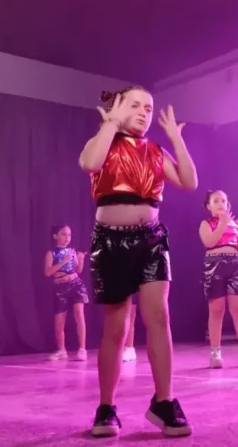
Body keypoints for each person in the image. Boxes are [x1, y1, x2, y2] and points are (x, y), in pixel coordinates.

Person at [78, 85, 198, 438]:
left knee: (159, 317)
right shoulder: (103, 143)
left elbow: (189, 182)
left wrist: (176, 138)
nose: (144, 112)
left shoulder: (155, 151)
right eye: (135, 105)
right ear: (117, 107)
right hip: (110, 242)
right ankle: (106, 407)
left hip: (151, 240)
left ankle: (165, 401)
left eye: (148, 107)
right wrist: (110, 124)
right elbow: (89, 163)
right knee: (116, 326)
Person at [200, 190, 238, 368]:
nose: (220, 203)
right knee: (216, 309)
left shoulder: (235, 224)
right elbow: (209, 242)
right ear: (209, 206)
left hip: (235, 265)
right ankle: (215, 351)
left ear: (228, 205)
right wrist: (222, 224)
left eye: (223, 201)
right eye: (216, 201)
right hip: (214, 265)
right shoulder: (206, 224)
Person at [45, 225, 89, 361]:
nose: (67, 237)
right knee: (59, 322)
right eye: (63, 234)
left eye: (69, 235)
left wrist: (81, 259)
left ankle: (82, 349)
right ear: (55, 236)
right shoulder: (51, 253)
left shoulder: (72, 251)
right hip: (60, 287)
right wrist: (63, 261)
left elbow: (78, 270)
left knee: (79, 315)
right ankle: (61, 350)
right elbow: (48, 272)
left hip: (75, 285)